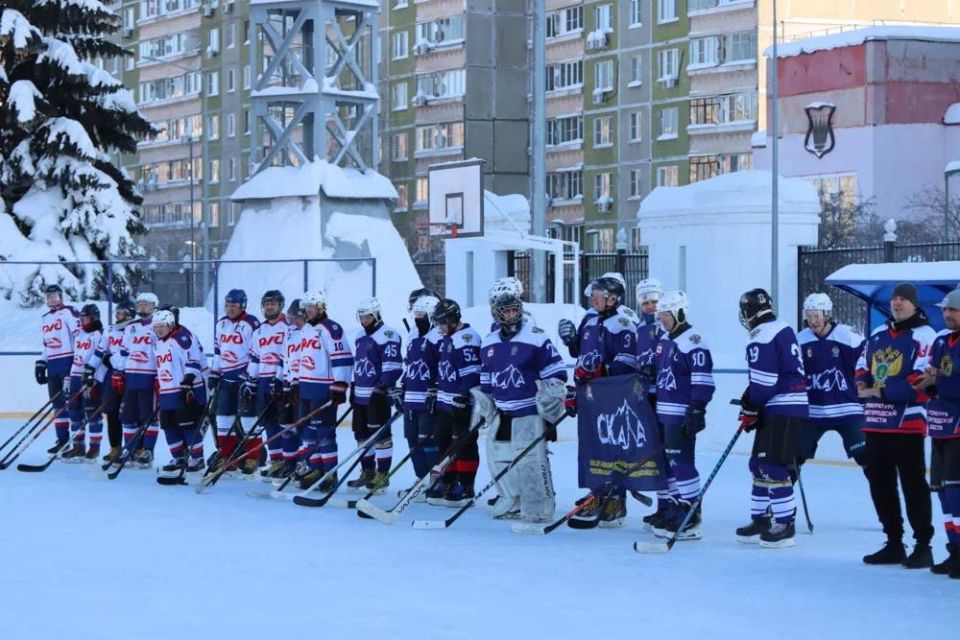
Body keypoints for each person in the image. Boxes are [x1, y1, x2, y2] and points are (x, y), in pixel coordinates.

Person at [856, 282, 935, 568]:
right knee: (880, 485)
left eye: (903, 299)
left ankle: (923, 544)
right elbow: (862, 365)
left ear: (915, 304)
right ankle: (893, 542)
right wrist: (863, 383)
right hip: (876, 422)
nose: (897, 303)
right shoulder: (878, 334)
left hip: (907, 424)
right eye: (895, 299)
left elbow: (920, 379)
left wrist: (882, 392)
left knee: (914, 485)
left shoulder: (925, 335)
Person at [474, 290, 567, 521]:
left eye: (515, 309)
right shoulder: (489, 342)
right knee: (500, 457)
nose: (512, 314)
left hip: (529, 410)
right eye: (506, 311)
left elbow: (555, 372)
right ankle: (512, 500)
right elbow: (486, 379)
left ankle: (538, 506)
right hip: (503, 411)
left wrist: (552, 397)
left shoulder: (536, 336)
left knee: (531, 461)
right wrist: (485, 405)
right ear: (497, 314)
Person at [558, 273, 640, 527]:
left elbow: (628, 362)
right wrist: (571, 341)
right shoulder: (590, 317)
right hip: (590, 393)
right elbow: (581, 355)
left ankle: (616, 501)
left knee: (612, 447)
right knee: (591, 448)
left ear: (613, 298)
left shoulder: (624, 322)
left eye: (598, 295)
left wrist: (600, 371)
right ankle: (597, 493)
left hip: (613, 395)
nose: (593, 298)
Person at [735, 288, 808, 549]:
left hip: (783, 407)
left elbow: (765, 382)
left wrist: (752, 405)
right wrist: (751, 399)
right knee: (758, 464)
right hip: (783, 405)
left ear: (747, 312)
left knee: (773, 466)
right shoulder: (782, 326)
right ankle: (761, 519)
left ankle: (785, 524)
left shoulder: (760, 334)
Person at [649, 290, 715, 540]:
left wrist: (697, 408)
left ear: (679, 313)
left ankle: (692, 516)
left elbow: (703, 380)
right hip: (665, 412)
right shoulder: (667, 340)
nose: (661, 319)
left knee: (682, 462)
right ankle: (679, 508)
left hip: (680, 413)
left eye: (664, 314)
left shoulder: (694, 341)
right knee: (671, 464)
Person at [915, 289, 960, 578]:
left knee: (956, 493)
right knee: (943, 493)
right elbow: (931, 377)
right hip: (940, 424)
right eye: (945, 310)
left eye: (953, 310)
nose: (947, 315)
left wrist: (937, 382)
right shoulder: (942, 340)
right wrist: (928, 383)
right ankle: (954, 550)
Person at [796, 293, 866, 470]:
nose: (813, 321)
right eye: (809, 316)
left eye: (816, 316)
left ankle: (884, 497)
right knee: (793, 458)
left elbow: (867, 364)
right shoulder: (801, 339)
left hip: (848, 409)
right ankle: (781, 496)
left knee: (867, 458)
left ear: (826, 314)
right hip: (813, 412)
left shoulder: (848, 335)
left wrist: (866, 393)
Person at [291, 290, 353, 490]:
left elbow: (342, 357)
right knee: (307, 431)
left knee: (324, 432)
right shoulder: (306, 330)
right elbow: (300, 358)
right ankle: (314, 469)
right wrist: (295, 382)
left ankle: (329, 473)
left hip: (323, 387)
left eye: (312, 307)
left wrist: (340, 385)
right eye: (306, 308)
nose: (308, 311)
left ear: (321, 307)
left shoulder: (331, 328)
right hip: (306, 386)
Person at [426, 298, 482, 507]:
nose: (439, 327)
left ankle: (466, 486)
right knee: (443, 440)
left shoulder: (467, 338)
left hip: (463, 403)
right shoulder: (449, 337)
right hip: (445, 401)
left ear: (452, 319)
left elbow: (472, 373)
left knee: (464, 443)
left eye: (442, 322)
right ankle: (448, 481)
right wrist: (435, 392)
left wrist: (463, 397)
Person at [348, 297, 403, 491]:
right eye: (361, 316)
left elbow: (393, 365)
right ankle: (367, 472)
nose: (364, 320)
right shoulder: (359, 337)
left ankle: (382, 475)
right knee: (361, 435)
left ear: (377, 314)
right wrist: (353, 387)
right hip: (361, 396)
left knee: (380, 437)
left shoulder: (388, 335)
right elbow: (359, 365)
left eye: (368, 316)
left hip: (376, 395)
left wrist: (383, 387)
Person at [208, 289, 260, 474]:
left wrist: (251, 377)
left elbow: (256, 353)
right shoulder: (221, 324)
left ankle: (254, 458)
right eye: (228, 305)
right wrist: (214, 373)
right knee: (222, 419)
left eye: (234, 306)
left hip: (243, 377)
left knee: (247, 421)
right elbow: (217, 352)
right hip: (226, 378)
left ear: (242, 306)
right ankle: (226, 456)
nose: (230, 309)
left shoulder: (251, 323)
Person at [634, 277, 673, 528]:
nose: (650, 306)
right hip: (646, 395)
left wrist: (657, 370)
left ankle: (676, 505)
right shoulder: (639, 328)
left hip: (666, 396)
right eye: (646, 302)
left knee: (669, 453)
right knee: (655, 454)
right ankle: (663, 505)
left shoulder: (667, 326)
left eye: (654, 301)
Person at [153, 310, 207, 476]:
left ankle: (197, 458)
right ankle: (179, 457)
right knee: (168, 425)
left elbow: (193, 360)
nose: (159, 330)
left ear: (170, 324)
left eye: (162, 326)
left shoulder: (181, 337)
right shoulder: (159, 342)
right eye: (156, 327)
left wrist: (188, 380)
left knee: (187, 424)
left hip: (186, 389)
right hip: (167, 390)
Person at [112, 292, 161, 469]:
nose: (142, 307)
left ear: (154, 306)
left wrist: (160, 375)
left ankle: (148, 450)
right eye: (139, 304)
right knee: (127, 416)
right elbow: (124, 352)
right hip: (131, 377)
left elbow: (162, 352)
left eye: (146, 304)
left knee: (148, 417)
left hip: (149, 376)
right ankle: (130, 450)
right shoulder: (131, 327)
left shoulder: (159, 325)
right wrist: (118, 372)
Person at [245, 290, 289, 478]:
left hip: (282, 381)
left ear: (281, 305)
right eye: (267, 304)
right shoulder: (259, 331)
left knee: (285, 423)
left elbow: (289, 355)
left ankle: (290, 461)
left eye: (273, 303)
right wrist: (250, 380)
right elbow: (255, 358)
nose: (270, 307)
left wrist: (281, 378)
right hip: (264, 381)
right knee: (269, 423)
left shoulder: (289, 327)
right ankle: (277, 460)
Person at [401, 293, 441, 494]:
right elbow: (409, 363)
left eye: (421, 314)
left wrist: (436, 388)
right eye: (415, 314)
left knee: (428, 441)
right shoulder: (413, 334)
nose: (417, 318)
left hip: (428, 397)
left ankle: (435, 480)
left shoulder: (438, 336)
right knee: (412, 440)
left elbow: (443, 366)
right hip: (411, 397)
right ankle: (421, 479)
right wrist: (403, 384)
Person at [35, 284, 80, 452]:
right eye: (49, 296)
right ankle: (62, 439)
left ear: (61, 296)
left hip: (67, 362)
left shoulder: (69, 312)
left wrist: (76, 363)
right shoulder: (45, 318)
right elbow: (46, 344)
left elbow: (77, 337)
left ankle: (77, 444)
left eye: (55, 295)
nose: (52, 299)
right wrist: (41, 363)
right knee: (57, 404)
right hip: (53, 365)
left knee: (71, 403)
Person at [91, 301, 135, 463]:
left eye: (121, 313)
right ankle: (115, 448)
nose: (117, 315)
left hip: (130, 374)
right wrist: (90, 370)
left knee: (130, 413)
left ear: (129, 314)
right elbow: (100, 351)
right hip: (111, 375)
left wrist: (113, 360)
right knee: (111, 412)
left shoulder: (135, 330)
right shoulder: (110, 330)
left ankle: (135, 449)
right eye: (117, 312)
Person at [62, 304, 106, 461]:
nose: (82, 320)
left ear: (93, 318)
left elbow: (102, 360)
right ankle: (78, 447)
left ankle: (94, 448)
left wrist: (95, 381)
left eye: (85, 318)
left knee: (92, 414)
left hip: (90, 379)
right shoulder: (79, 334)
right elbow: (74, 356)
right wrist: (68, 379)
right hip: (75, 376)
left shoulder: (100, 334)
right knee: (74, 413)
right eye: (81, 318)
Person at [269, 298, 306, 479]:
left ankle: (302, 463)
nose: (293, 322)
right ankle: (289, 463)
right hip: (287, 385)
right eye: (291, 318)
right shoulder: (290, 333)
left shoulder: (311, 333)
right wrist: (277, 379)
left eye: (296, 318)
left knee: (302, 426)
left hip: (302, 385)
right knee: (286, 425)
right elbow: (284, 359)